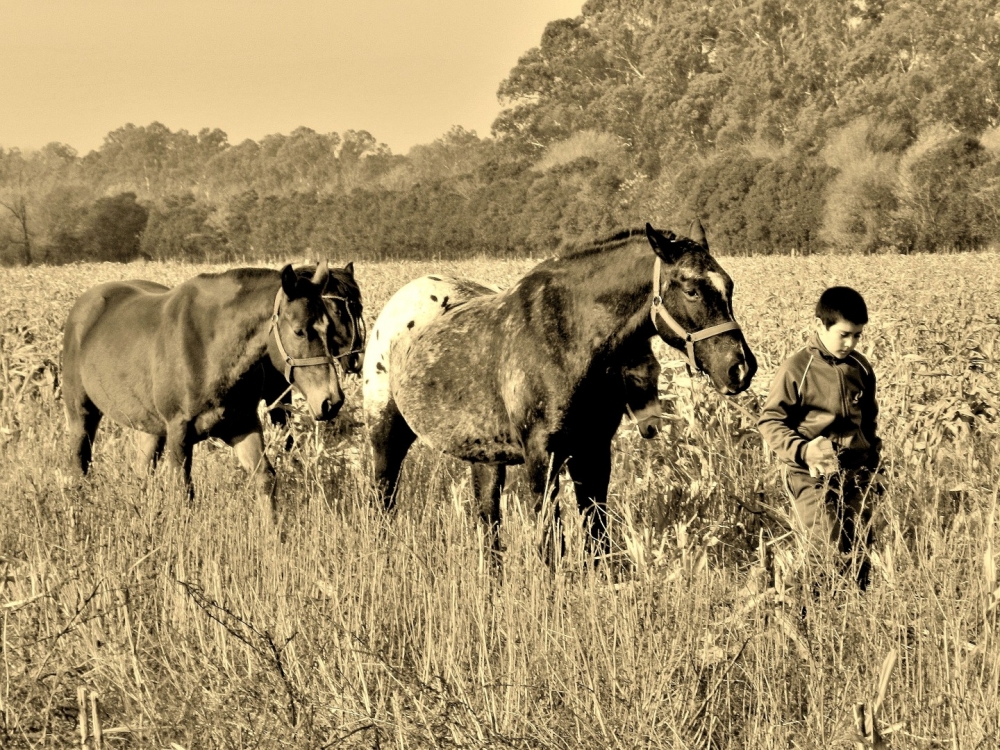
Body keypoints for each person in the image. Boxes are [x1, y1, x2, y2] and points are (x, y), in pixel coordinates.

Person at [758, 286, 882, 589]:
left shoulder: (860, 367)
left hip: (855, 474)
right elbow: (770, 422)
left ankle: (855, 620)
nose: (850, 343)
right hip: (812, 476)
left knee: (859, 553)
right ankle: (807, 620)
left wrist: (875, 468)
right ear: (819, 325)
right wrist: (802, 451)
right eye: (844, 334)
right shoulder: (796, 369)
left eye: (857, 336)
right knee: (825, 554)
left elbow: (869, 423)